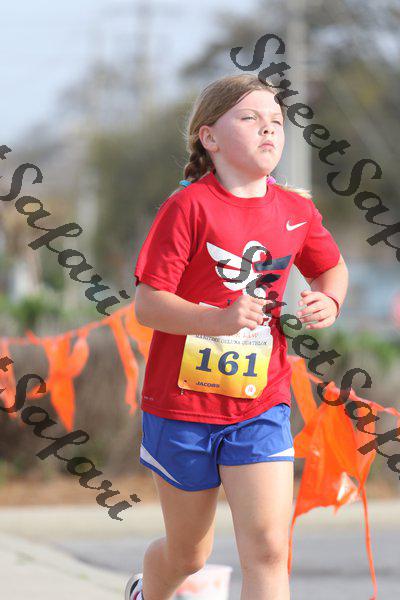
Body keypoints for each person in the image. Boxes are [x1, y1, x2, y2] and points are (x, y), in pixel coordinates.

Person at [125, 73, 349, 600]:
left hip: (260, 401)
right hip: (182, 407)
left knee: (269, 548)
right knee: (189, 554)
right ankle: (146, 592)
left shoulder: (296, 210)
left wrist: (330, 299)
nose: (268, 129)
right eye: (250, 118)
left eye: (276, 121)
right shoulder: (188, 207)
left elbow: (331, 268)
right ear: (210, 137)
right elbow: (148, 304)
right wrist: (219, 320)